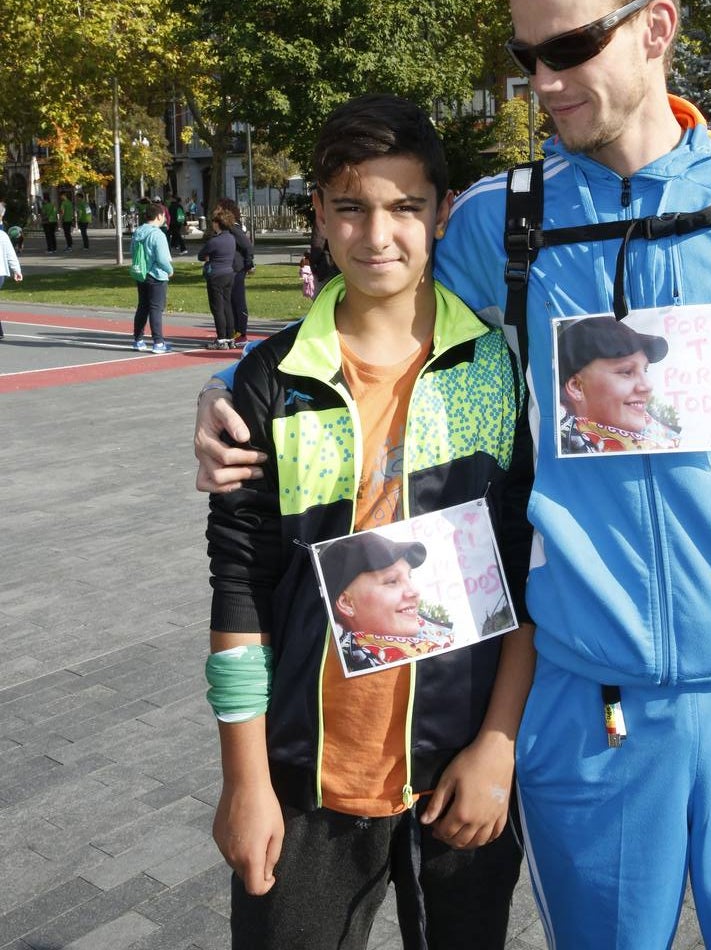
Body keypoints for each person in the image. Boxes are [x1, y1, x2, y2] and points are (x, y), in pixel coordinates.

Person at [195, 0, 711, 950]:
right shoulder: (498, 222)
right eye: (526, 57)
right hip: (587, 702)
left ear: (656, 27)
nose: (542, 82)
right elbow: (376, 307)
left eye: (569, 48)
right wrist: (228, 388)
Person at [203, 94, 533, 950]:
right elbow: (238, 585)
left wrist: (497, 746)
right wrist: (244, 778)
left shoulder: (495, 372)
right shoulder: (269, 381)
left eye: (404, 208)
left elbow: (526, 573)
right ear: (317, 212)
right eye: (350, 207)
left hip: (460, 770)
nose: (376, 235)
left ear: (441, 214)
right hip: (308, 778)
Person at [320, 531, 453, 672]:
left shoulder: (444, 641)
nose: (414, 591)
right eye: (392, 581)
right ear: (347, 603)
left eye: (409, 577)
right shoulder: (334, 673)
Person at [556, 317, 670, 453]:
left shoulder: (665, 441)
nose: (647, 386)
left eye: (644, 370)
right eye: (626, 372)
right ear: (576, 387)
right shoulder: (561, 453)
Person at [131, 201, 174, 353]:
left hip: (141, 273)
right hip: (157, 275)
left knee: (142, 306)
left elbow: (133, 251)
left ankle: (138, 339)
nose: (164, 218)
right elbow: (162, 258)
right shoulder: (157, 234)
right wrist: (169, 269)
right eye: (163, 215)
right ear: (158, 216)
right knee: (156, 308)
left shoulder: (138, 232)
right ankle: (158, 342)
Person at [197, 205, 237, 348]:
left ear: (217, 223)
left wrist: (209, 257)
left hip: (216, 275)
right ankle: (230, 338)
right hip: (229, 273)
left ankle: (221, 339)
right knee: (227, 306)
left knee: (217, 308)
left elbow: (201, 255)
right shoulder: (231, 239)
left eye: (214, 221)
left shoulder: (214, 241)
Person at [216, 198, 254, 342]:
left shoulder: (233, 227)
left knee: (237, 300)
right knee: (229, 300)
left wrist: (249, 264)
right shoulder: (226, 227)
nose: (216, 211)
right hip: (230, 268)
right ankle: (232, 330)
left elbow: (247, 245)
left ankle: (241, 332)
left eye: (218, 208)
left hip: (237, 269)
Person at [0, 222, 23, 339]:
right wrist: (17, 270)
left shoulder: (3, 235)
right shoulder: (3, 235)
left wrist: (17, 270)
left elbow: (10, 255)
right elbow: (11, 255)